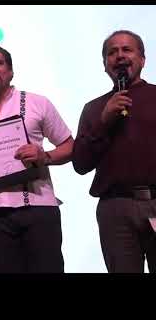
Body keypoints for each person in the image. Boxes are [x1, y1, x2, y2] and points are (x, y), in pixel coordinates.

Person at [0, 43, 73, 273]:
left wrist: (44, 156)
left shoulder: (38, 103)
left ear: (10, 71)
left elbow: (70, 146)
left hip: (39, 207)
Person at [73, 30, 156, 273]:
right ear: (105, 64)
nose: (119, 56)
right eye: (112, 52)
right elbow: (80, 164)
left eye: (127, 50)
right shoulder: (94, 108)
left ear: (142, 59)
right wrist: (104, 120)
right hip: (115, 209)